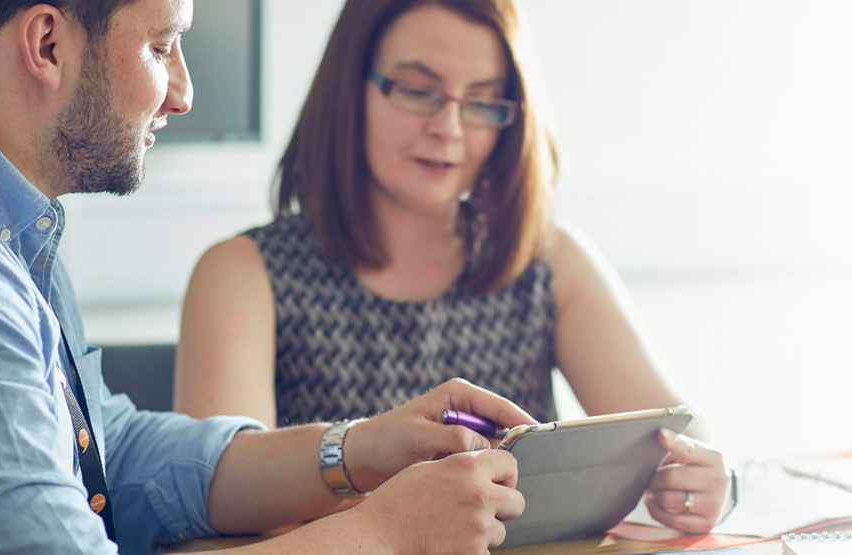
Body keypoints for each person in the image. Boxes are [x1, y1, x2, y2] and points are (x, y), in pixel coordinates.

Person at [0, 0, 537, 552]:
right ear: (46, 44)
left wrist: (358, 450)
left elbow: (111, 450)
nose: (183, 91)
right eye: (163, 45)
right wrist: (386, 532)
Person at [171, 0, 735, 533]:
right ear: (350, 90)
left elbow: (684, 433)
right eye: (418, 91)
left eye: (483, 101)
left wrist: (713, 480)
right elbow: (216, 501)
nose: (451, 128)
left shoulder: (548, 260)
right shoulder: (243, 274)